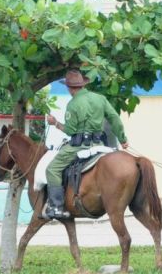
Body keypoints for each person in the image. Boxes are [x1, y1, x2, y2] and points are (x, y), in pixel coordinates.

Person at [43, 69, 130, 219]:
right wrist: (123, 139)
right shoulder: (100, 98)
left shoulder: (73, 104)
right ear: (83, 85)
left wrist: (55, 123)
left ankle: (56, 207)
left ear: (69, 88)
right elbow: (114, 118)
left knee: (52, 169)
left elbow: (70, 131)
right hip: (99, 144)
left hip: (79, 146)